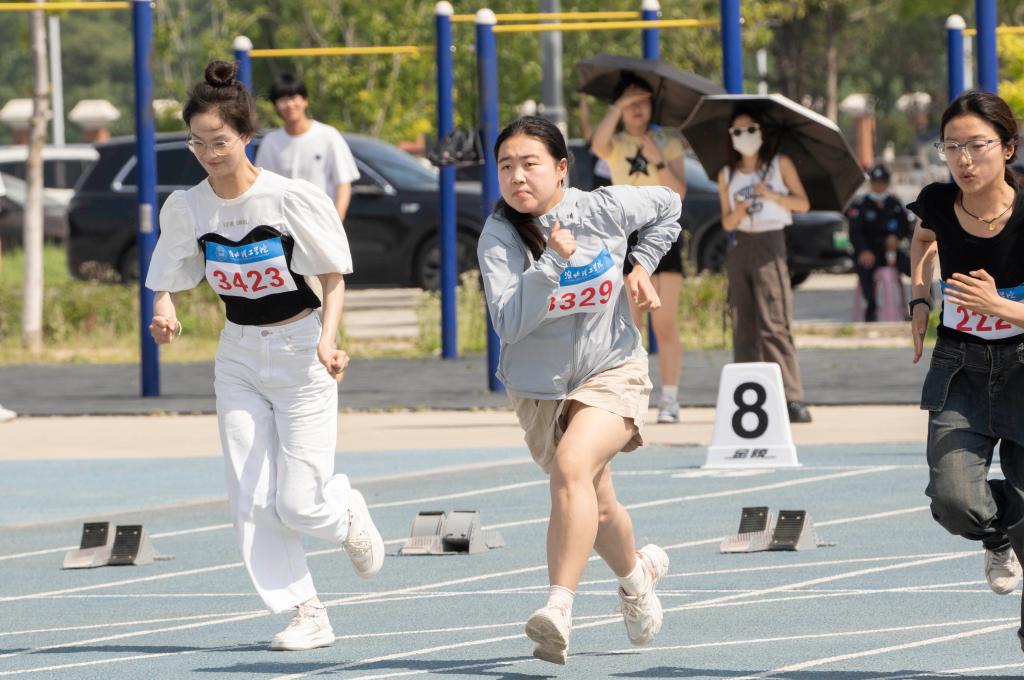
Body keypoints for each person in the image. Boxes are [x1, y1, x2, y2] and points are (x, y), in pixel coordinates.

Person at [145, 60, 384, 652]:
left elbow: (332, 276)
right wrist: (165, 308)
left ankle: (345, 513)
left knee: (300, 504)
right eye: (197, 143)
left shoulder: (288, 198)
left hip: (302, 352)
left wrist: (328, 340)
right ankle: (306, 611)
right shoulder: (189, 207)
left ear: (246, 136)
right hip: (238, 356)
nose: (208, 154)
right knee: (250, 495)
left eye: (219, 142)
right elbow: (170, 270)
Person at [478, 116, 681, 664]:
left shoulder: (603, 208)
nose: (517, 176)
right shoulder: (499, 236)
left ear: (562, 168)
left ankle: (558, 609)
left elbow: (669, 204)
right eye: (506, 166)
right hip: (538, 389)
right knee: (598, 504)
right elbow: (508, 323)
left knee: (571, 468)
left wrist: (641, 264)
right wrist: (549, 262)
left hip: (612, 367)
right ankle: (637, 579)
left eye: (530, 164)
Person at [910, 90, 1024, 651]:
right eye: (951, 147)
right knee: (954, 499)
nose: (964, 159)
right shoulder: (937, 201)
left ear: (1007, 148)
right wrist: (919, 298)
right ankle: (1001, 535)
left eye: (977, 145)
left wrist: (1001, 307)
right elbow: (923, 240)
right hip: (960, 367)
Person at [590, 73, 688, 424]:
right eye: (630, 102)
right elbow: (597, 145)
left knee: (665, 323)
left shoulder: (667, 140)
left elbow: (679, 192)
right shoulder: (615, 142)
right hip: (627, 237)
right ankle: (630, 398)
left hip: (663, 234)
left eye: (643, 101)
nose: (637, 108)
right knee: (630, 326)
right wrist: (618, 107)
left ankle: (670, 399)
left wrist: (657, 158)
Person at [716, 107, 812, 423]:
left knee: (774, 320)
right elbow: (727, 222)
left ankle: (791, 396)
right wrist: (740, 210)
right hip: (741, 244)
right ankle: (749, 392)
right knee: (743, 322)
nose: (745, 136)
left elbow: (802, 203)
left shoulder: (778, 164)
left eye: (751, 129)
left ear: (762, 132)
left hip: (771, 243)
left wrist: (770, 194)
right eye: (737, 131)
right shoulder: (726, 174)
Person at [255, 73, 360, 221]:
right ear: (276, 106)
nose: (289, 105)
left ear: (305, 101)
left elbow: (343, 183)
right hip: (284, 224)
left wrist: (337, 222)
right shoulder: (270, 141)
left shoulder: (329, 136)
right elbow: (263, 187)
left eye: (293, 97)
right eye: (282, 100)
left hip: (322, 221)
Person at [846, 164, 913, 321]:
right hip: (869, 251)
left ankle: (921, 306)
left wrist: (896, 237)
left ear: (887, 183)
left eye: (882, 182)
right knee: (865, 268)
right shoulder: (860, 204)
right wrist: (863, 250)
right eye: (875, 182)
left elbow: (906, 226)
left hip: (890, 251)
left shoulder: (894, 203)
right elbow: (855, 232)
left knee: (915, 267)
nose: (878, 186)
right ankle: (871, 307)